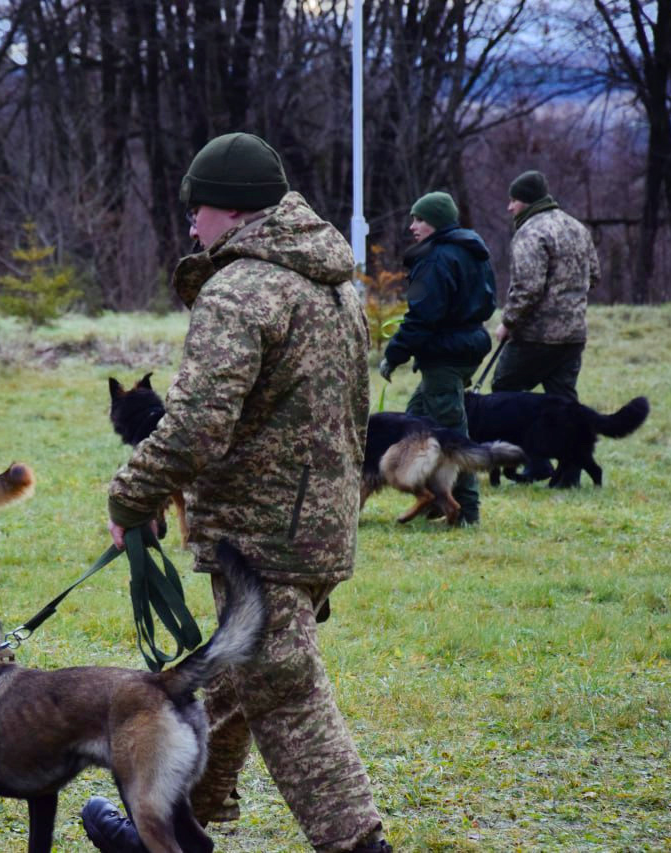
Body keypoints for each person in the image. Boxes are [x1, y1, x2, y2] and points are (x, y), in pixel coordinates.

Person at [85, 133, 390, 853]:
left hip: (264, 536)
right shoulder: (336, 283)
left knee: (286, 696)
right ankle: (167, 824)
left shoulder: (241, 288)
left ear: (235, 211)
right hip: (315, 527)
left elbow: (194, 425)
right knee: (232, 672)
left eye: (199, 211)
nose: (192, 227)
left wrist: (130, 498)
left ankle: (359, 843)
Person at [378, 191, 496, 526]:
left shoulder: (434, 259)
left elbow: (421, 318)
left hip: (444, 353)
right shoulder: (473, 250)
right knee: (416, 421)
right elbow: (488, 302)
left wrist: (393, 354)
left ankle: (466, 511)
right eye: (413, 218)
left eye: (420, 219)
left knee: (450, 435)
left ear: (438, 222)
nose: (412, 226)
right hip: (468, 345)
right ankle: (429, 501)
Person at [492, 169, 600, 402]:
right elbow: (594, 276)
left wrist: (507, 322)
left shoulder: (530, 232)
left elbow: (528, 289)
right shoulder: (578, 228)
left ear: (528, 201)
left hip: (535, 337)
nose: (509, 208)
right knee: (564, 403)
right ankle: (571, 439)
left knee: (503, 393)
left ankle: (513, 439)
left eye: (513, 200)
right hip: (573, 335)